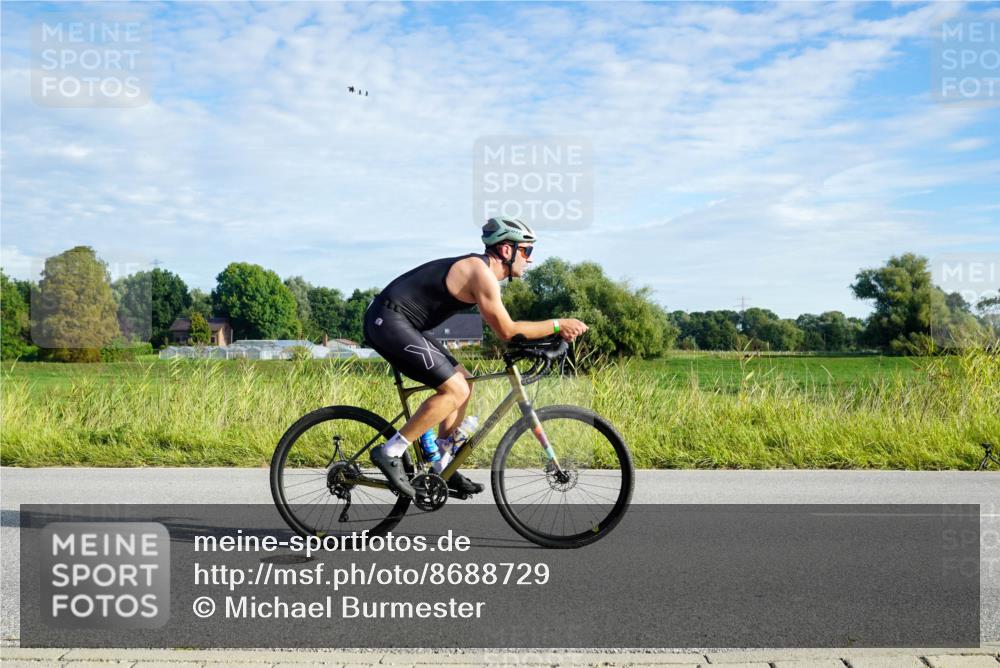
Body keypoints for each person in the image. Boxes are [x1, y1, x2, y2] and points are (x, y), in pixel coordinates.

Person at [362, 217, 589, 498]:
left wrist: (548, 340)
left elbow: (510, 332)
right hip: (388, 320)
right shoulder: (479, 273)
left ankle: (440, 465)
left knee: (465, 382)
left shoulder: (484, 274)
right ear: (507, 250)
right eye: (527, 251)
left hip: (404, 323)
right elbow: (508, 330)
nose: (530, 260)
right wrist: (558, 324)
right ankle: (391, 451)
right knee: (454, 388)